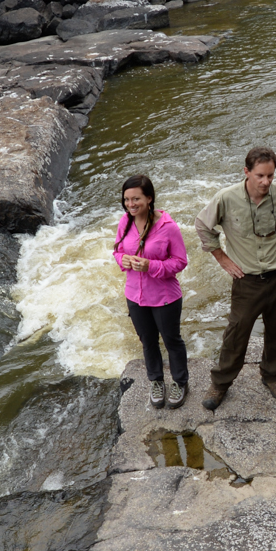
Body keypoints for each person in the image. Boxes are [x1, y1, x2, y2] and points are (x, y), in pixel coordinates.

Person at [194, 147, 276, 410]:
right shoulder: (226, 198)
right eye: (260, 175)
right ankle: (220, 383)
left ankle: (272, 376)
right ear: (246, 172)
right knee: (237, 332)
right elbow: (202, 224)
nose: (266, 182)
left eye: (270, 176)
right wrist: (221, 258)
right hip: (246, 280)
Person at [111, 173, 189, 409]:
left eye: (136, 199)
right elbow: (116, 251)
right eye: (127, 200)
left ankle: (180, 382)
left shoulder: (168, 228)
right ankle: (156, 381)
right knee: (148, 342)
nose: (131, 205)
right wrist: (122, 259)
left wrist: (150, 265)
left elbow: (180, 261)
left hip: (165, 297)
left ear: (149, 199)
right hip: (135, 295)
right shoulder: (125, 222)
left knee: (171, 340)